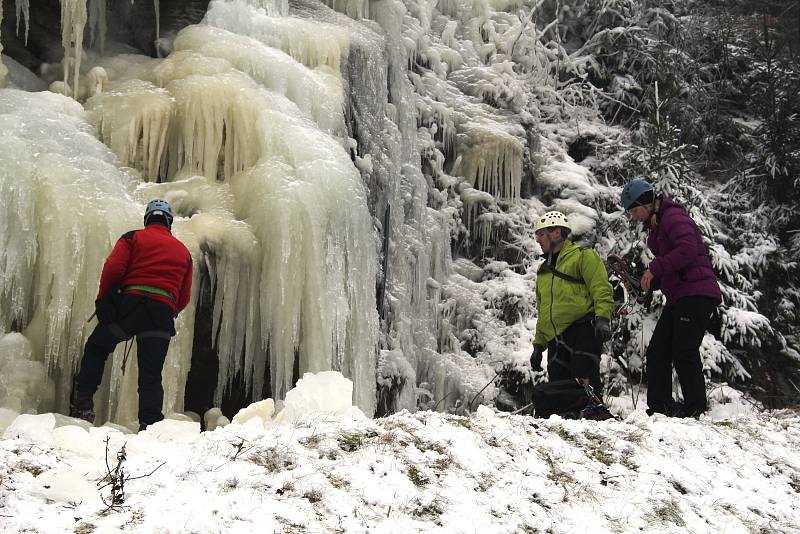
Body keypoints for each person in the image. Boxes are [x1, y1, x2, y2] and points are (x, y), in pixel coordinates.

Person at [70, 199, 193, 431]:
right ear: (168, 222)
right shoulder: (183, 252)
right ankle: (150, 425)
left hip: (130, 308)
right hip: (161, 314)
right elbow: (184, 295)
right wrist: (169, 311)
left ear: (147, 219)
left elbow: (113, 268)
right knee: (151, 374)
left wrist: (103, 299)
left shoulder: (133, 237)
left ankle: (84, 403)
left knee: (98, 347)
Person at [621, 178, 722, 418]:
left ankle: (695, 409)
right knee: (658, 351)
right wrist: (646, 282)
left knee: (683, 350)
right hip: (680, 295)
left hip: (696, 293)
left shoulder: (673, 217)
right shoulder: (656, 226)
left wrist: (655, 268)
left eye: (635, 210)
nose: (634, 216)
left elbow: (686, 251)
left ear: (647, 202)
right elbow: (670, 267)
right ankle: (660, 409)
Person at [531, 211, 614, 396]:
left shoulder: (583, 256)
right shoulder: (543, 272)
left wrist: (603, 318)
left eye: (541, 234)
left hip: (583, 330)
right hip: (556, 339)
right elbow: (544, 311)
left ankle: (593, 416)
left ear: (557, 233)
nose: (538, 240)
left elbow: (601, 288)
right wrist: (539, 345)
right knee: (560, 392)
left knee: (583, 383)